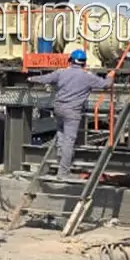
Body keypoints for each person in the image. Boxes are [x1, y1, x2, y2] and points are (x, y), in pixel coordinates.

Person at [27, 50, 111, 180]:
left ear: (70, 60)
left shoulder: (61, 72)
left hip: (59, 109)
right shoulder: (87, 76)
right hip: (72, 112)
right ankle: (63, 172)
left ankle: (60, 160)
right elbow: (106, 84)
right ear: (84, 63)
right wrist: (111, 75)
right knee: (69, 141)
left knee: (61, 134)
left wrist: (30, 78)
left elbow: (46, 78)